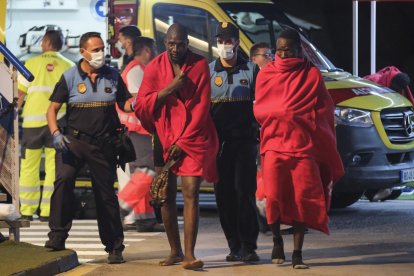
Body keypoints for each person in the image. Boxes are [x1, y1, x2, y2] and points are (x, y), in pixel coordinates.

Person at [254, 28, 344, 269]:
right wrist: (282, 113)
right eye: (280, 51)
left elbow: (325, 109)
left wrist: (303, 118)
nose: (284, 55)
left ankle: (297, 253)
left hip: (303, 146)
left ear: (299, 50)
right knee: (273, 197)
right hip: (274, 144)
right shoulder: (266, 74)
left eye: (289, 50)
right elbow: (260, 109)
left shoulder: (311, 74)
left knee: (302, 199)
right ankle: (276, 240)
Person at [134, 23, 218, 270]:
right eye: (171, 43)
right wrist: (170, 88)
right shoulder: (155, 67)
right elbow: (141, 104)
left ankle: (190, 254)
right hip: (163, 135)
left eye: (180, 44)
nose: (175, 48)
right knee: (165, 193)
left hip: (192, 135)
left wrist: (183, 141)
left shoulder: (199, 65)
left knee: (191, 192)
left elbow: (202, 107)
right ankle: (175, 251)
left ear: (187, 43)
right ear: (165, 43)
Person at [45, 32, 133, 264]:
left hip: (103, 144)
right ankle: (57, 237)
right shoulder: (70, 76)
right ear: (82, 52)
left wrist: (138, 102)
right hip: (73, 143)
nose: (99, 53)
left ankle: (114, 247)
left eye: (101, 48)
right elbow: (52, 110)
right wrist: (55, 133)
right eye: (94, 50)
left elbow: (124, 102)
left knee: (105, 195)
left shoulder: (113, 75)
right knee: (63, 182)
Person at [209, 22, 260, 263]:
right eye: (221, 40)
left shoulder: (251, 70)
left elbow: (262, 105)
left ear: (238, 42)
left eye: (229, 40)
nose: (224, 45)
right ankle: (234, 245)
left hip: (245, 143)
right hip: (219, 146)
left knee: (244, 193)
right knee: (224, 195)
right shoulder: (209, 72)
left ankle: (249, 246)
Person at [17, 30, 74, 222]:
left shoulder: (30, 64)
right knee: (53, 167)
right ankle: (47, 211)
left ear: (46, 42)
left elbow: (20, 94)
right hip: (57, 124)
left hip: (32, 125)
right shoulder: (69, 66)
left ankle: (26, 209)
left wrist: (11, 115)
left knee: (28, 166)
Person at [116, 36, 164, 232]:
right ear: (145, 50)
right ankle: (120, 207)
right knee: (148, 169)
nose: (154, 54)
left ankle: (145, 219)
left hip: (138, 129)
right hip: (137, 129)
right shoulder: (136, 70)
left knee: (141, 173)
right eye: (152, 49)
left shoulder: (138, 69)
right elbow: (139, 100)